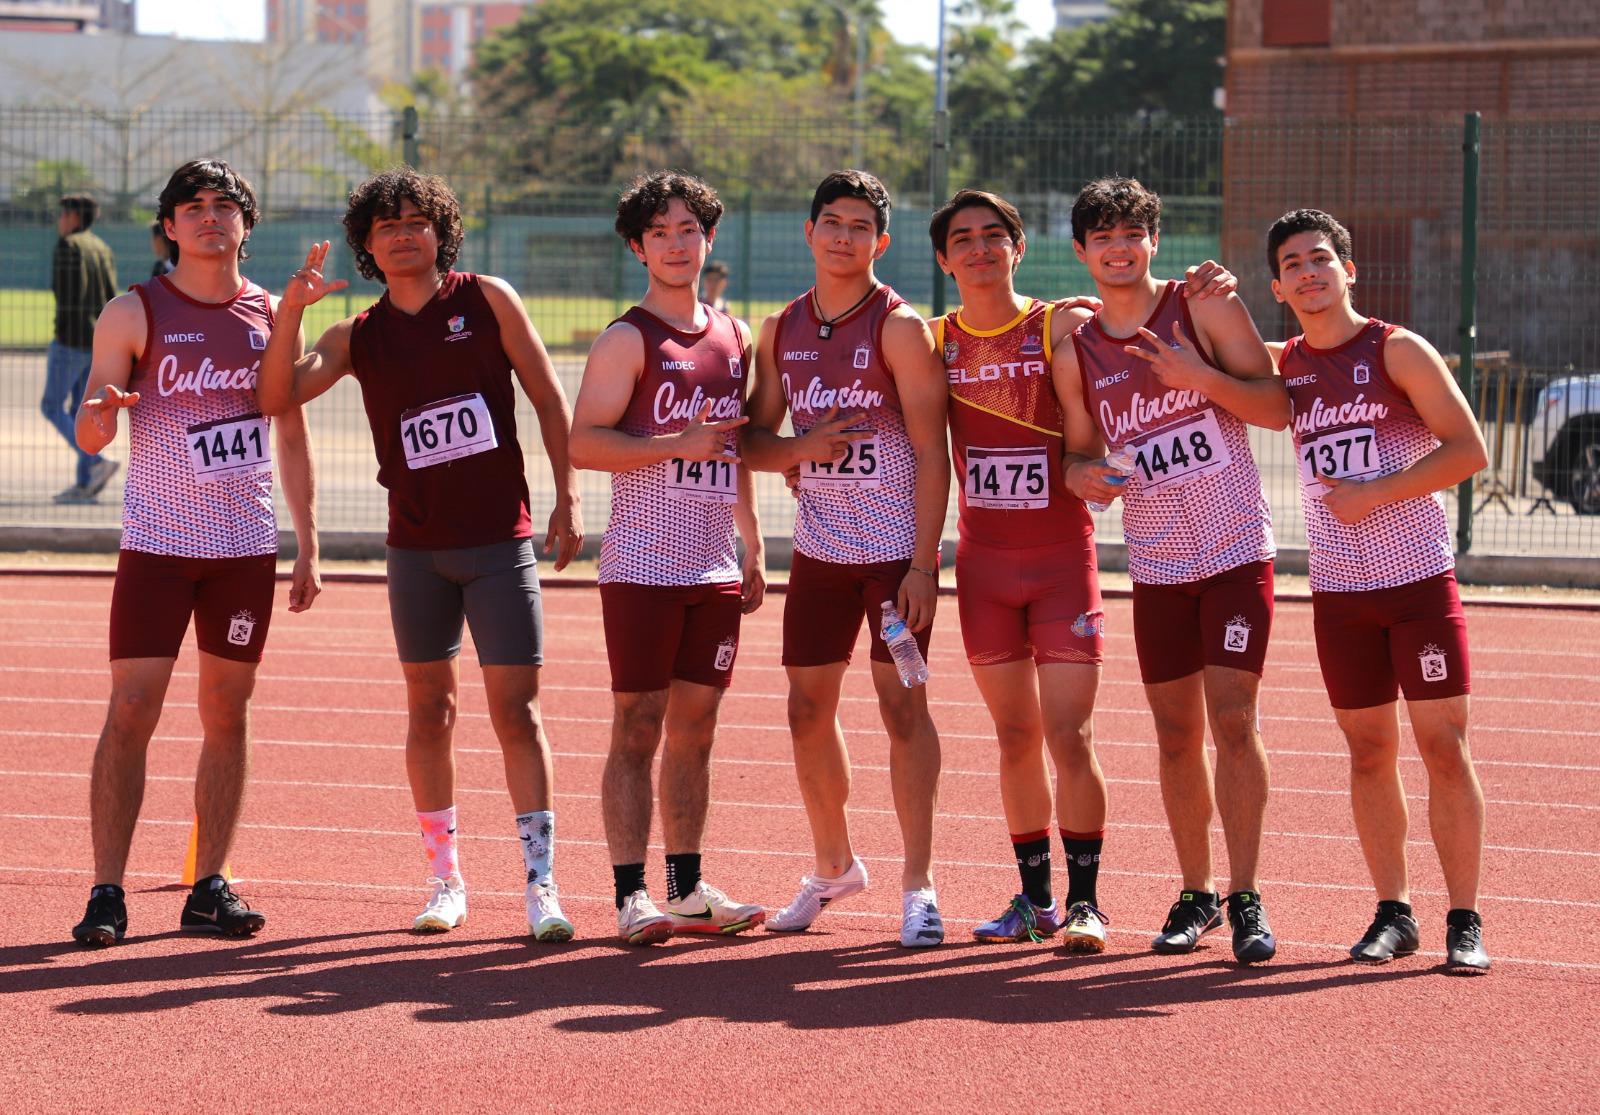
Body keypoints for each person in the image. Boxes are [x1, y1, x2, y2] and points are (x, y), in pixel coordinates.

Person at [256, 168, 583, 941]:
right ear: (368, 247)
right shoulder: (356, 335)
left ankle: (542, 884)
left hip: (501, 542)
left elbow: (547, 396)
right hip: (415, 550)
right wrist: (291, 314)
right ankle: (445, 880)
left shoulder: (486, 298)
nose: (402, 234)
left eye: (416, 222)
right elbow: (276, 398)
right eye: (385, 227)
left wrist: (568, 499)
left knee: (516, 710)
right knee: (429, 710)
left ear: (440, 231)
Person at [930, 188, 1237, 951]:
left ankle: (1086, 902)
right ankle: (1032, 899)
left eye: (994, 235)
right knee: (1012, 736)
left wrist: (1206, 289)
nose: (979, 249)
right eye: (962, 239)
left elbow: (1128, 318)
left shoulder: (1061, 324)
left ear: (1020, 246)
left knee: (1071, 735)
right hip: (982, 566)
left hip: (1063, 562)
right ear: (943, 258)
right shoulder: (934, 339)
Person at [68, 158, 320, 946]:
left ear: (246, 222)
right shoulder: (133, 310)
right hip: (158, 544)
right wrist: (104, 418)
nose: (210, 216)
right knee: (132, 709)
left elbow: (287, 423)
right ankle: (107, 889)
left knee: (227, 713)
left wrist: (306, 538)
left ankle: (210, 884)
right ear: (169, 225)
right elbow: (90, 428)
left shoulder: (273, 312)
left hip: (243, 549)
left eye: (225, 204)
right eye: (193, 206)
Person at [1053, 177, 1288, 964]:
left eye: (1133, 234)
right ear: (1081, 250)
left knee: (1232, 718)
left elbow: (1277, 403)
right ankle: (1196, 891)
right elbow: (1079, 453)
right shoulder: (1078, 345)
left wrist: (1204, 380)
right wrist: (1085, 478)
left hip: (1231, 551)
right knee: (1176, 732)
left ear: (1154, 239)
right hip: (1155, 563)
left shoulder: (1203, 305)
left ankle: (1246, 891)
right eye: (1102, 237)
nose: (1119, 249)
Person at [1266, 208, 1492, 973]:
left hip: (1416, 581)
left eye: (1321, 257)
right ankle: (1394, 911)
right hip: (1339, 592)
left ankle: (1465, 917)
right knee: (1368, 750)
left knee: (1443, 747)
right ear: (1278, 286)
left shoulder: (1397, 349)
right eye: (1293, 263)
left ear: (1348, 270)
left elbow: (1470, 450)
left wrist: (1380, 492)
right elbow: (1205, 360)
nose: (1308, 271)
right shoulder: (1285, 366)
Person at [745, 169, 951, 947]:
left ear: (881, 241)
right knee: (805, 710)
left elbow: (934, 450)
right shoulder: (780, 328)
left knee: (904, 709)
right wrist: (802, 448)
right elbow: (757, 442)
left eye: (860, 226)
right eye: (831, 221)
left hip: (893, 558)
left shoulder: (899, 328)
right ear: (808, 232)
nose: (843, 236)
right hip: (821, 554)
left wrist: (924, 564)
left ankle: (919, 885)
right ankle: (834, 865)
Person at [570, 171, 767, 945]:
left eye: (689, 229)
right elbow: (584, 442)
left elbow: (739, 447)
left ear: (708, 238)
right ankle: (631, 894)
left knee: (698, 729)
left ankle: (686, 888)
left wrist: (750, 538)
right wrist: (672, 445)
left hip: (714, 567)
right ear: (637, 247)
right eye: (660, 233)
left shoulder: (734, 335)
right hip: (644, 565)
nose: (677, 244)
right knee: (637, 724)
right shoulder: (628, 338)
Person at [45, 193, 119, 503]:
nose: (59, 221)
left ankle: (95, 462)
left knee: (50, 406)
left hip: (70, 340)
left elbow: (64, 296)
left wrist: (62, 336)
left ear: (74, 217)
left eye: (63, 215)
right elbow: (112, 294)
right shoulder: (102, 247)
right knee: (82, 412)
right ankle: (84, 482)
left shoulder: (69, 246)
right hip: (96, 340)